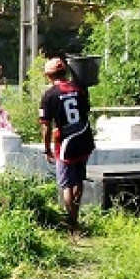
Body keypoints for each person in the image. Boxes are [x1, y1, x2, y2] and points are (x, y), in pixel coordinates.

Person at [39, 57, 96, 232]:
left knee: (66, 184)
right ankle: (75, 217)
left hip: (65, 143)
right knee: (79, 179)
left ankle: (72, 222)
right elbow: (85, 111)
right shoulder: (80, 89)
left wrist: (47, 148)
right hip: (84, 138)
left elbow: (46, 126)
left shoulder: (49, 95)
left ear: (48, 76)